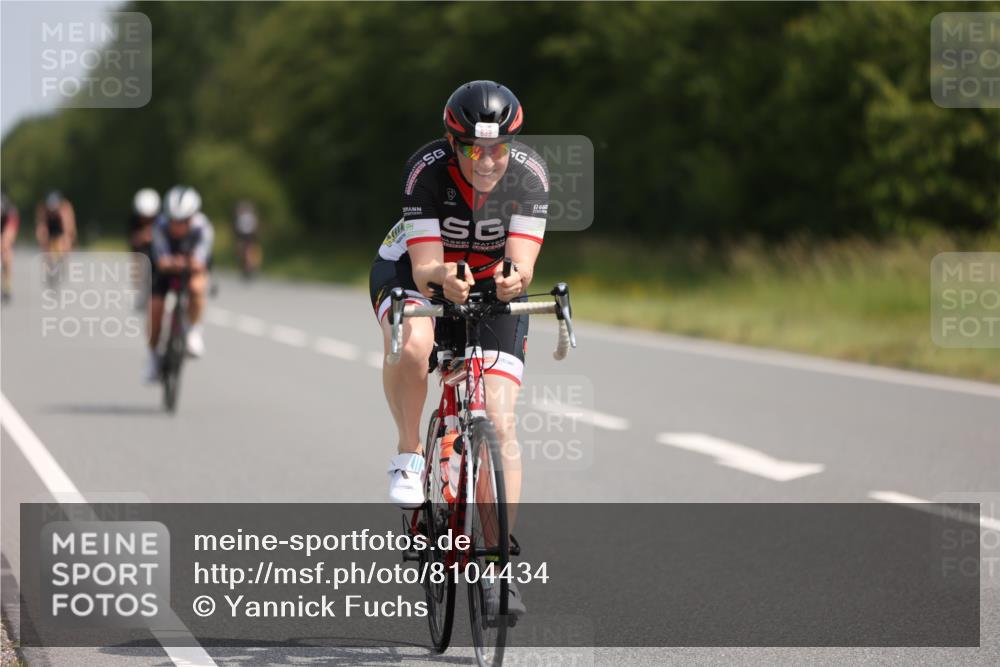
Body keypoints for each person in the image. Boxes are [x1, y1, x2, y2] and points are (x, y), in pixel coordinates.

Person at [370, 80, 548, 614]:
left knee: (500, 418)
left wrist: (516, 280)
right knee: (413, 344)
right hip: (412, 270)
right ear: (452, 143)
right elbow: (426, 267)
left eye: (499, 148)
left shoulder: (531, 175)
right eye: (474, 148)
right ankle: (408, 454)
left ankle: (496, 564)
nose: (488, 160)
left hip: (487, 281)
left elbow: (523, 259)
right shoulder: (425, 169)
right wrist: (441, 279)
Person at [143, 186, 214, 383]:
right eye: (174, 221)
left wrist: (186, 263)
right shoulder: (159, 226)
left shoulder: (203, 227)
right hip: (164, 271)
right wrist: (174, 262)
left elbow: (200, 262)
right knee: (155, 309)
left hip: (192, 270)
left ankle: (193, 331)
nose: (178, 226)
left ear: (192, 217)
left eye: (183, 221)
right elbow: (162, 261)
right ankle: (153, 358)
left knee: (196, 288)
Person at [35, 190, 76, 285]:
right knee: (45, 244)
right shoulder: (43, 209)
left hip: (61, 227)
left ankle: (61, 263)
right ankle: (49, 265)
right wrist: (42, 241)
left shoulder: (65, 208)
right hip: (49, 227)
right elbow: (41, 226)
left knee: (64, 245)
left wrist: (68, 243)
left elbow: (68, 228)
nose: (52, 210)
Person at [129, 188, 161, 307]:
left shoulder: (163, 220)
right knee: (137, 259)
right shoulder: (133, 220)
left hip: (159, 249)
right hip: (141, 249)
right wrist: (143, 237)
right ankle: (139, 288)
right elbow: (133, 240)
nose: (146, 220)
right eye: (143, 217)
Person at [232, 200, 262, 279]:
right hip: (245, 236)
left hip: (248, 236)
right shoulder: (246, 216)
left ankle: (249, 267)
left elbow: (239, 228)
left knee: (246, 252)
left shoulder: (245, 217)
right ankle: (247, 267)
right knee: (243, 252)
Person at [1, 192, 20, 303]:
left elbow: (9, 235)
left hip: (6, 228)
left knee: (7, 254)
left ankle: (7, 286)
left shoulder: (11, 212)